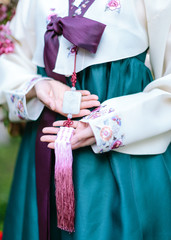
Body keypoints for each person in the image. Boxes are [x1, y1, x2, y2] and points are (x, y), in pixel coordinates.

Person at [0, 0, 171, 239]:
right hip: (43, 150)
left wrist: (107, 124)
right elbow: (10, 62)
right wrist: (38, 86)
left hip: (124, 157)